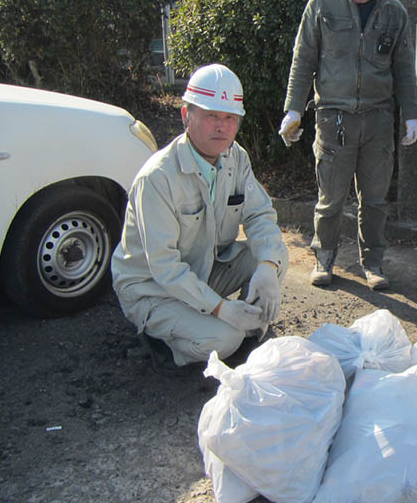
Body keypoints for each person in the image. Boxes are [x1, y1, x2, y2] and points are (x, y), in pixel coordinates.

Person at [111, 64, 288, 374]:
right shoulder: (157, 179)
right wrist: (220, 308)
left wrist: (268, 267)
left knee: (274, 257)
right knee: (224, 340)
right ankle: (170, 341)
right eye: (211, 116)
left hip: (203, 269)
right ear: (186, 116)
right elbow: (164, 268)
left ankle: (239, 323)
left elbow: (260, 215)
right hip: (152, 288)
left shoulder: (236, 158)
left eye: (229, 117)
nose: (221, 126)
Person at [278, 0, 417, 291]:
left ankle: (373, 263)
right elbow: (303, 60)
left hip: (378, 119)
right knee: (330, 199)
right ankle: (324, 259)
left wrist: (412, 113)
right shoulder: (320, 7)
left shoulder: (395, 13)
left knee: (374, 201)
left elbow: (404, 67)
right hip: (334, 119)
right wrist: (294, 109)